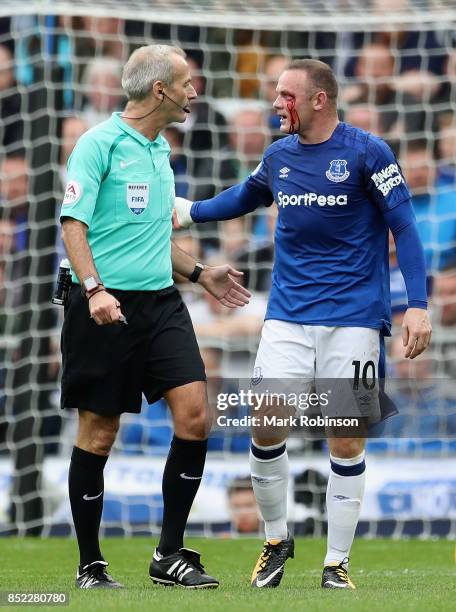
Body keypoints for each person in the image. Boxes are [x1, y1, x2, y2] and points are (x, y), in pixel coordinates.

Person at [174, 58, 431, 590]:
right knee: (266, 422)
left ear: (319, 100)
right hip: (288, 316)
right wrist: (190, 212)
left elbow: (404, 228)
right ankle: (276, 539)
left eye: (286, 94)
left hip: (355, 318)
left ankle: (336, 563)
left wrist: (419, 305)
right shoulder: (279, 155)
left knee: (344, 439)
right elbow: (245, 198)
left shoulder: (367, 153)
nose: (275, 103)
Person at [59, 44, 251, 590]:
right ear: (160, 89)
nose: (195, 92)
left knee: (195, 415)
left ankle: (169, 554)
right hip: (103, 303)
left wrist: (199, 274)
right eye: (187, 83)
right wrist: (94, 290)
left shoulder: (161, 151)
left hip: (161, 302)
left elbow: (154, 238)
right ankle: (90, 565)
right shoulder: (97, 145)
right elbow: (73, 223)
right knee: (99, 433)